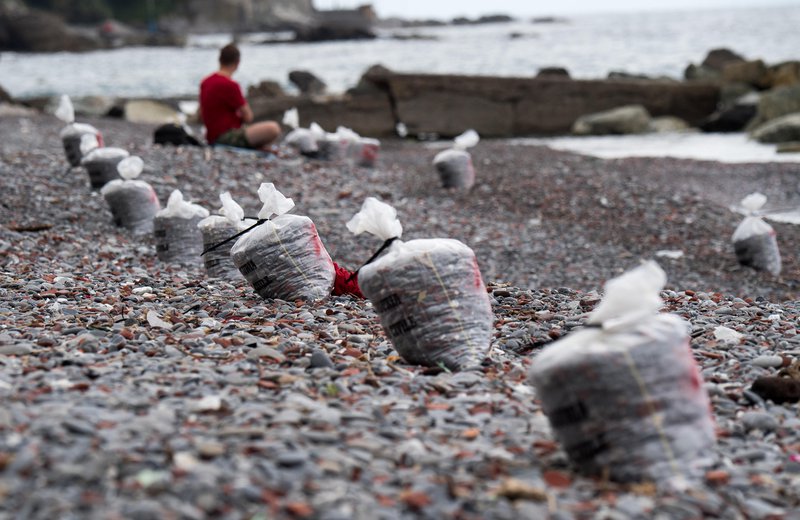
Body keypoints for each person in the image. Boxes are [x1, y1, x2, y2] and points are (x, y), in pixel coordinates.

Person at [199, 43, 281, 150]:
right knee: (273, 128)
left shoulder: (205, 82)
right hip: (225, 137)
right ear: (237, 62)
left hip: (211, 136)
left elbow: (201, 115)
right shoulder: (231, 85)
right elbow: (248, 117)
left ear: (220, 60)